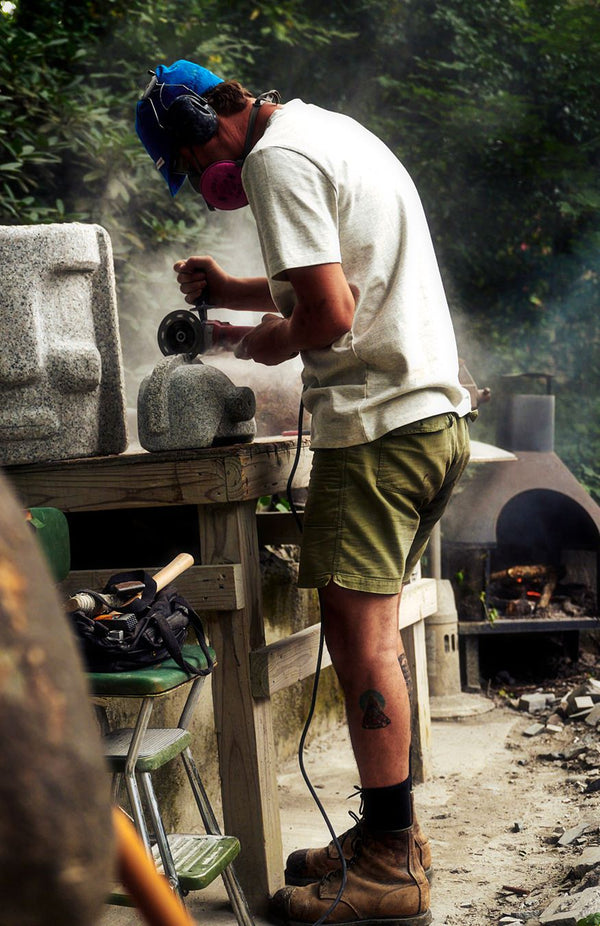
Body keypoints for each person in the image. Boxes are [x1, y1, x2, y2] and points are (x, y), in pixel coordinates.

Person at [136, 59, 472, 926]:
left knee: (361, 648)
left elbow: (326, 314)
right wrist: (235, 298)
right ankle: (387, 833)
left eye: (193, 165)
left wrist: (262, 345)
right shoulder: (322, 131)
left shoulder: (271, 163)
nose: (208, 187)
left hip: (377, 433)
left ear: (203, 125)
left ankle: (391, 870)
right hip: (432, 421)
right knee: (372, 640)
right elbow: (336, 276)